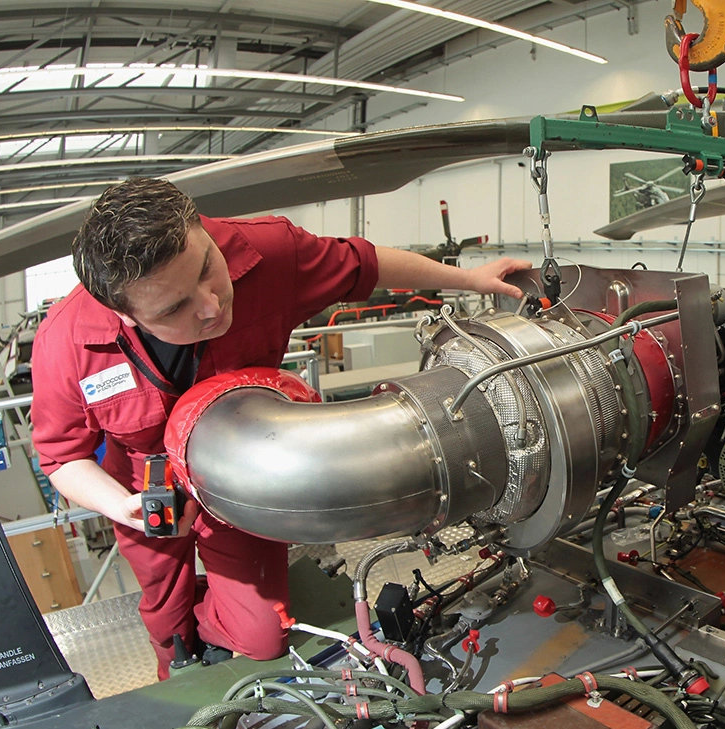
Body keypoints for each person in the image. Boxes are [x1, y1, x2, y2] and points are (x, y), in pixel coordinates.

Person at [30, 177, 531, 680]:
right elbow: (60, 457)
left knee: (264, 637)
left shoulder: (267, 253)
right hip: (146, 492)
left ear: (202, 230)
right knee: (166, 617)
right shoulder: (65, 343)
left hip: (243, 476)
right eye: (174, 308)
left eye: (207, 269)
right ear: (123, 313)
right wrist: (123, 508)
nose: (210, 304)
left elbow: (364, 264)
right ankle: (178, 658)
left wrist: (470, 278)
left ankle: (213, 622)